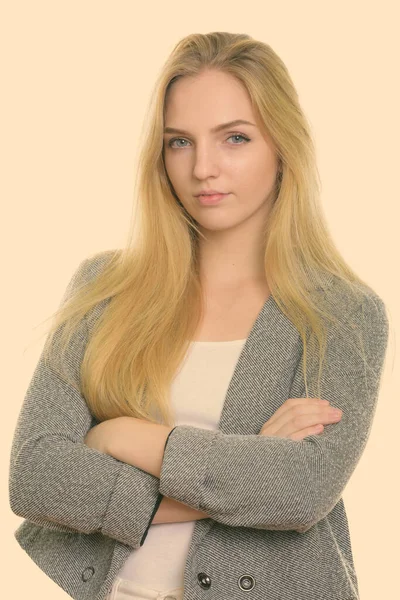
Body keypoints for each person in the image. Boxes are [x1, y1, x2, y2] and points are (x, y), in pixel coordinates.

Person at [9, 32, 389, 600]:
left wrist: (119, 435)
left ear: (282, 145)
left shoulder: (343, 316)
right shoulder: (105, 289)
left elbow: (301, 490)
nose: (203, 167)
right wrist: (248, 458)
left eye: (234, 138)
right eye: (180, 142)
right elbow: (35, 476)